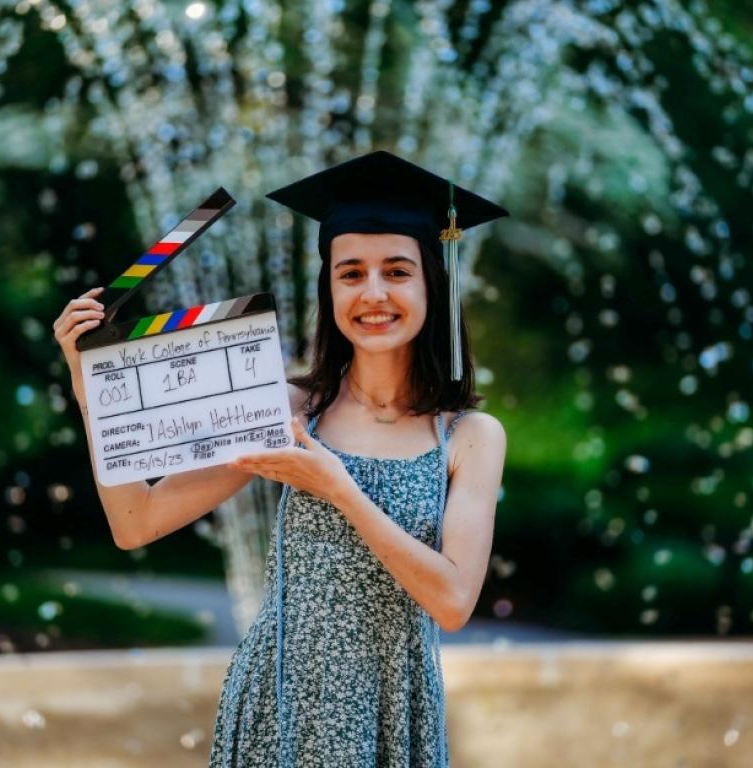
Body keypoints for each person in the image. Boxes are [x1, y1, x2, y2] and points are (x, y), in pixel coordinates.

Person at [52, 150, 508, 767]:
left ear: (433, 283)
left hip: (389, 706)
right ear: (331, 288)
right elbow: (138, 522)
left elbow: (453, 602)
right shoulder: (288, 410)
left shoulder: (468, 435)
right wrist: (93, 394)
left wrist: (340, 489)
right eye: (350, 274)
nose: (373, 292)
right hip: (278, 703)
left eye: (397, 271)